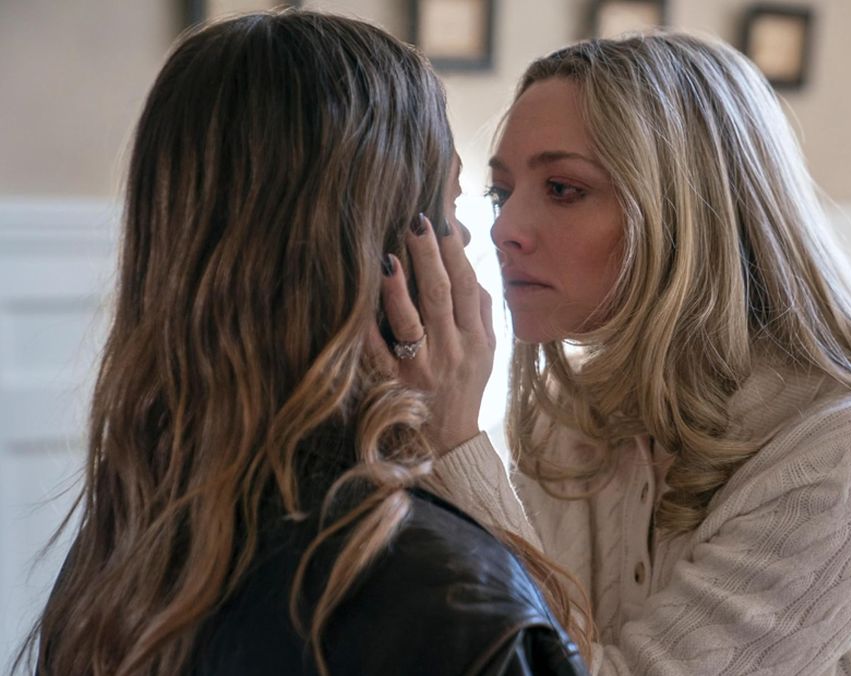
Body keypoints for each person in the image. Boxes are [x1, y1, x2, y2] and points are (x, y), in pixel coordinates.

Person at [389, 33, 851, 674]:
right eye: (501, 194)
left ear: (687, 211)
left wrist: (453, 440)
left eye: (563, 189)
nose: (503, 229)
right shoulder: (571, 420)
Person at [18, 11, 587, 676]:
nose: (473, 239)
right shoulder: (452, 598)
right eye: (454, 204)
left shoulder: (123, 550)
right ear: (392, 252)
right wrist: (455, 442)